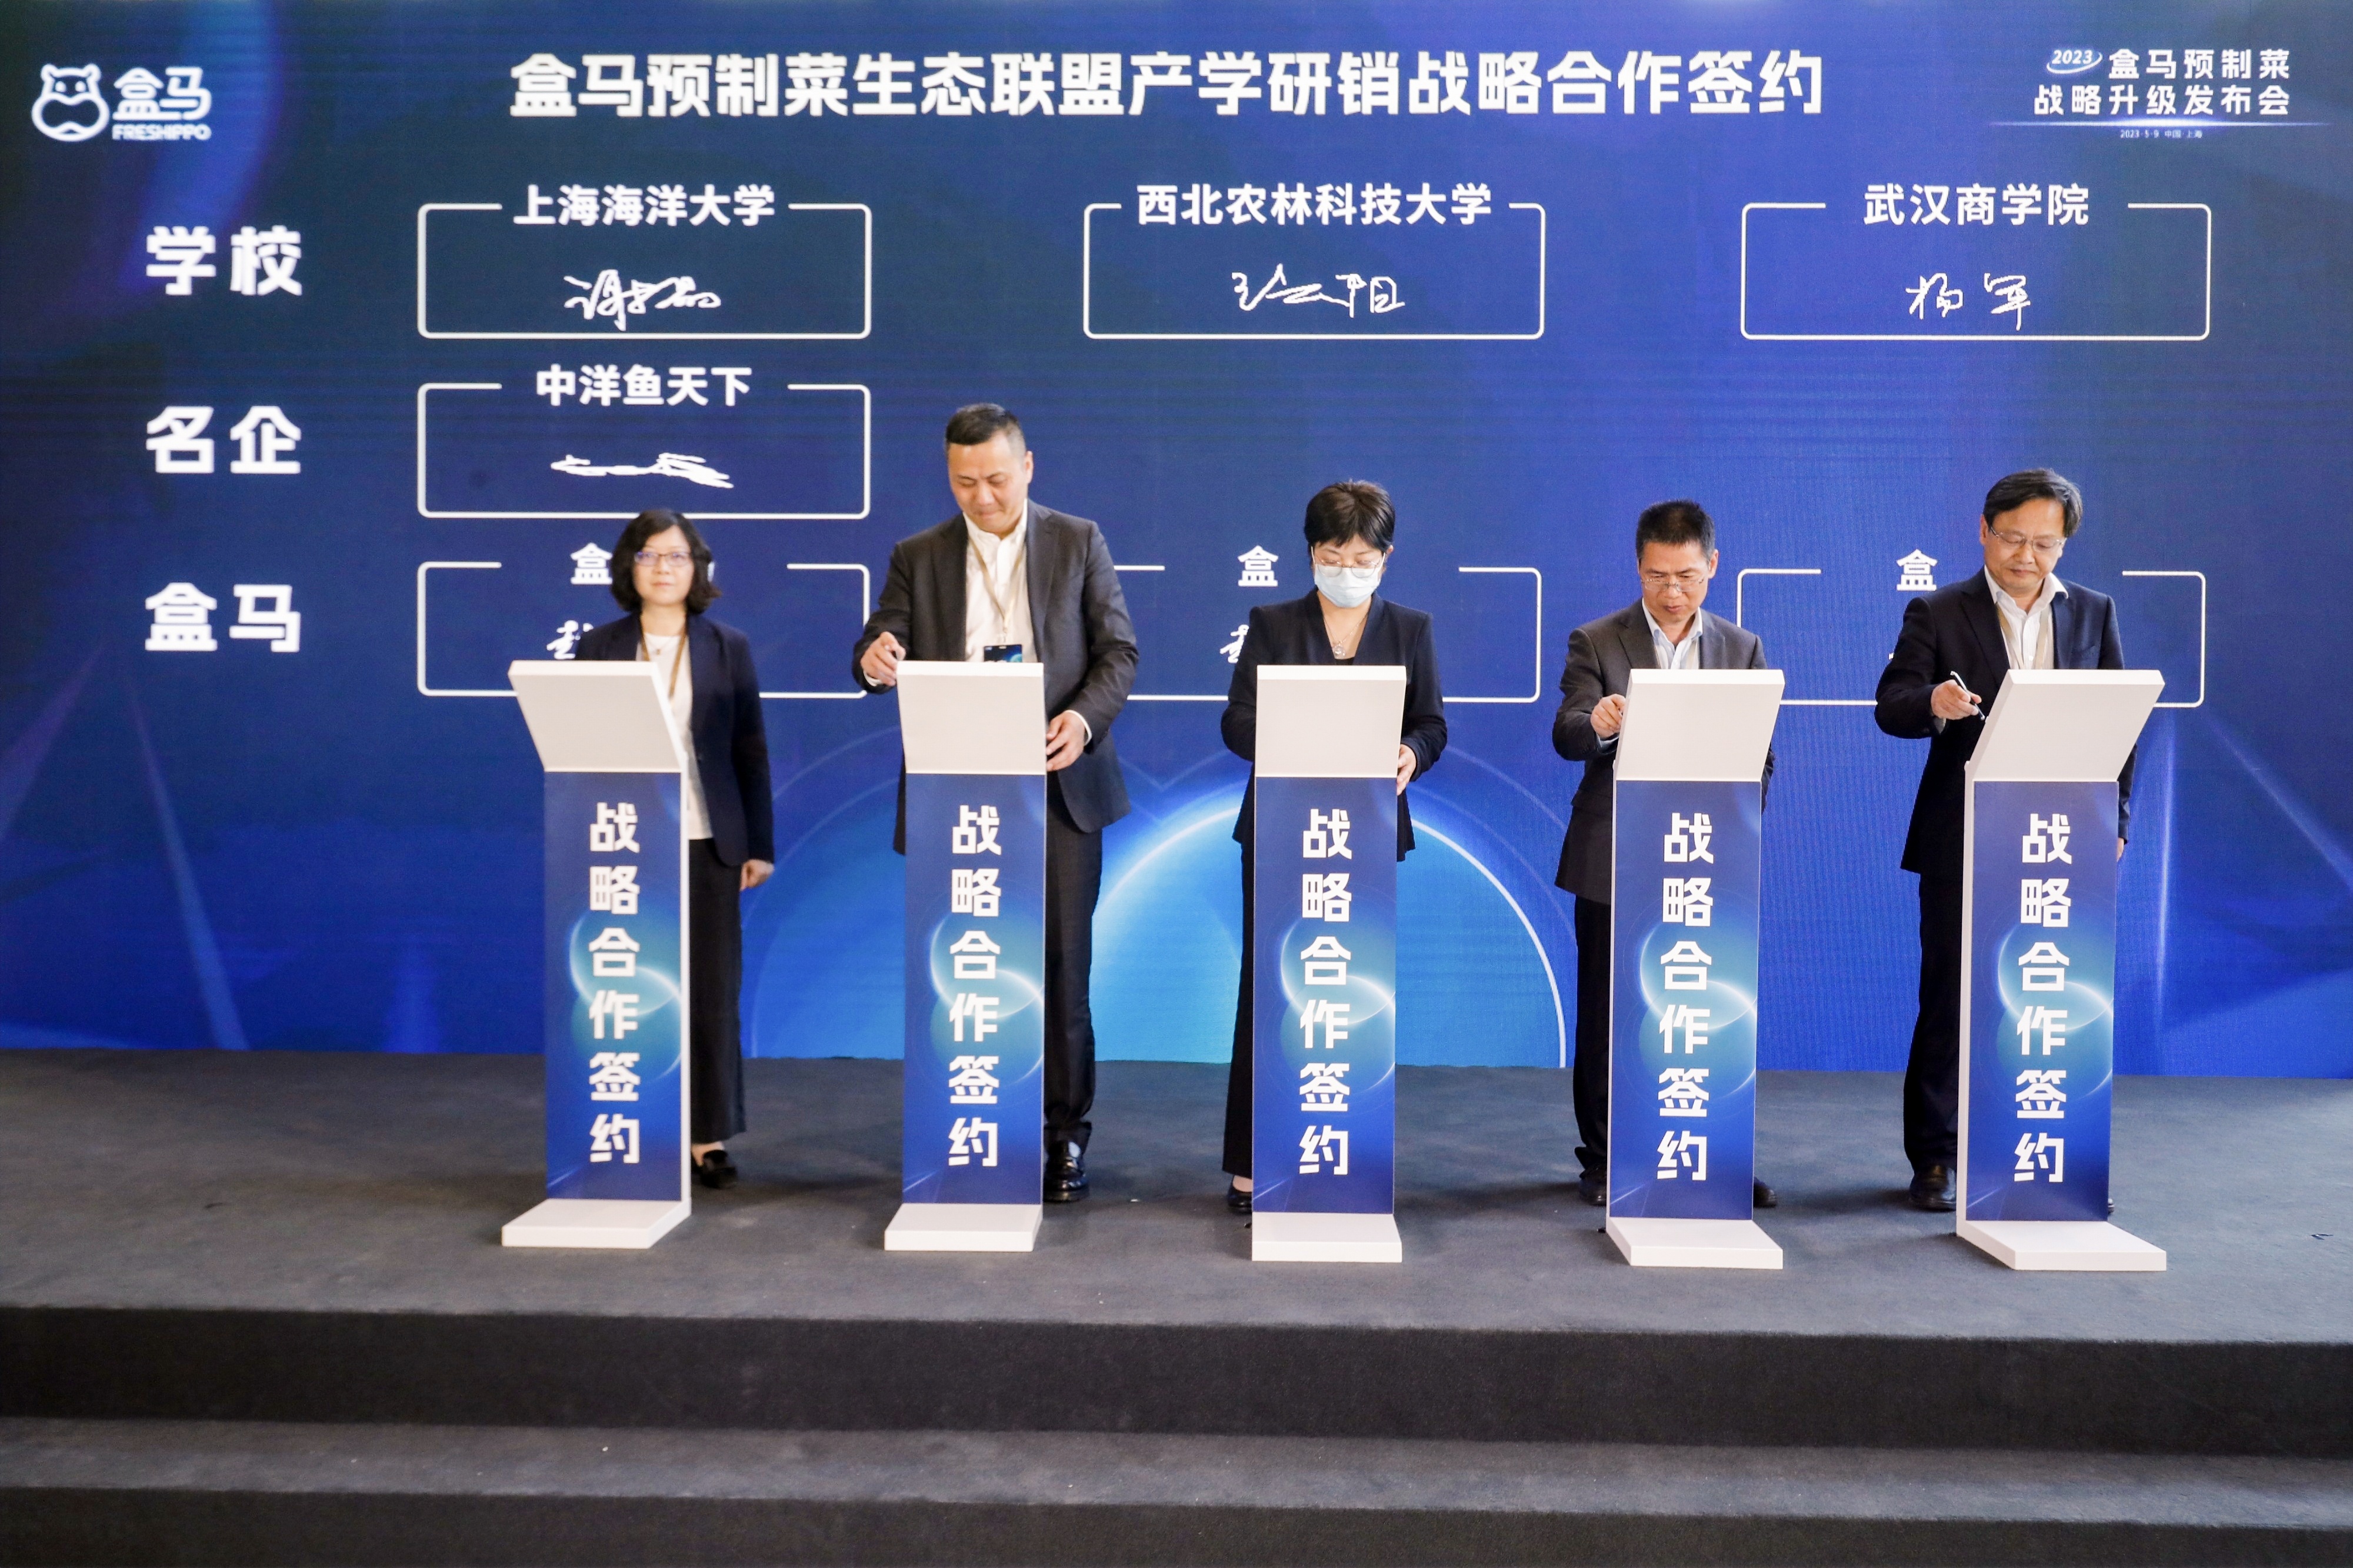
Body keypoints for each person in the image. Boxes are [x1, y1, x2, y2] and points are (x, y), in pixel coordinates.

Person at [852, 404, 1138, 1203]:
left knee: (1061, 970)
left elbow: (1118, 651)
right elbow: (879, 643)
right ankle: (969, 1121)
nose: (981, 496)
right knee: (964, 965)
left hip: (1057, 786)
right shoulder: (918, 555)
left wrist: (1082, 721)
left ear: (1028, 466)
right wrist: (875, 659)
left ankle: (1063, 1137)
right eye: (964, 482)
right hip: (956, 792)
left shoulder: (1078, 540)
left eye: (997, 479)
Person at [1875, 468, 2132, 1213]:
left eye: (2044, 543)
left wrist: (2115, 819)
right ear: (1983, 532)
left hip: (2059, 838)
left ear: (2065, 544)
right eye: (2013, 538)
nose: (2027, 556)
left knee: (2049, 996)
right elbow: (1891, 704)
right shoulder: (1938, 609)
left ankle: (2041, 1149)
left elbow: (2119, 720)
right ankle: (1935, 1156)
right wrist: (1934, 701)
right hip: (1963, 835)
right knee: (1952, 997)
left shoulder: (2092, 611)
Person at [1218, 481, 1447, 1213]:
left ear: (1385, 557)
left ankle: (1346, 1145)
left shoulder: (1410, 628)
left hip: (1366, 834)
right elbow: (1235, 721)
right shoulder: (1272, 623)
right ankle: (1253, 1158)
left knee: (1352, 991)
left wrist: (1411, 753)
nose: (1346, 569)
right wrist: (1294, 734)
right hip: (1282, 831)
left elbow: (1431, 725)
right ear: (1311, 552)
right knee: (1270, 986)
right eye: (1332, 555)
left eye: (1361, 558)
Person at [1552, 500, 1777, 1211]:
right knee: (1608, 1011)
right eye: (1656, 576)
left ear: (1713, 565)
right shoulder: (1597, 640)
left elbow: (1760, 758)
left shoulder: (1741, 647)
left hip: (1705, 860)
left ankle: (1708, 1150)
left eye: (1686, 576)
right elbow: (1567, 731)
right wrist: (1598, 722)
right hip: (1613, 854)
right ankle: (1605, 1155)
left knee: (1703, 1009)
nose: (1671, 592)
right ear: (1638, 567)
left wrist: (1737, 828)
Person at [574, 509, 775, 1190]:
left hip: (707, 837)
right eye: (650, 555)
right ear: (628, 566)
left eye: (678, 556)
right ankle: (634, 1121)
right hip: (623, 844)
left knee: (711, 992)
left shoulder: (728, 646)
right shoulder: (598, 647)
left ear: (698, 568)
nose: (664, 568)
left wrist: (758, 843)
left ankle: (705, 1135)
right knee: (627, 989)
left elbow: (750, 750)